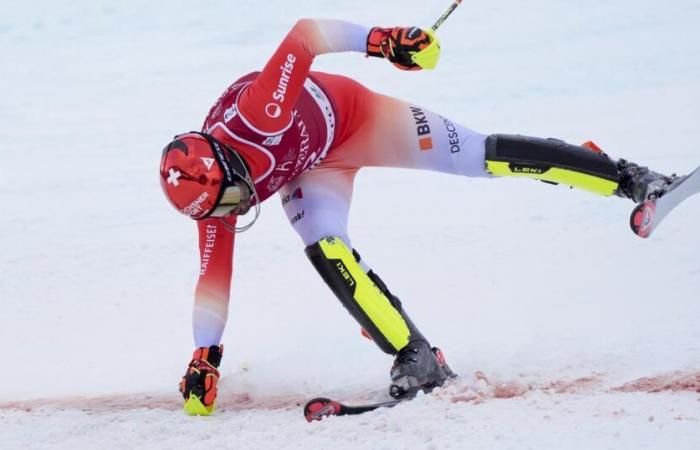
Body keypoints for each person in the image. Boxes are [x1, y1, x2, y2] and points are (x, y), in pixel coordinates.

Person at [159, 19, 677, 415]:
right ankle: (416, 356)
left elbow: (305, 37)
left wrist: (386, 42)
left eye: (231, 199)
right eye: (224, 209)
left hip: (357, 120)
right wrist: (205, 356)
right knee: (325, 248)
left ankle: (632, 178)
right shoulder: (212, 198)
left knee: (481, 157)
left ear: (225, 164)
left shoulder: (258, 115)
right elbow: (213, 277)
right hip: (311, 170)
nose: (237, 210)